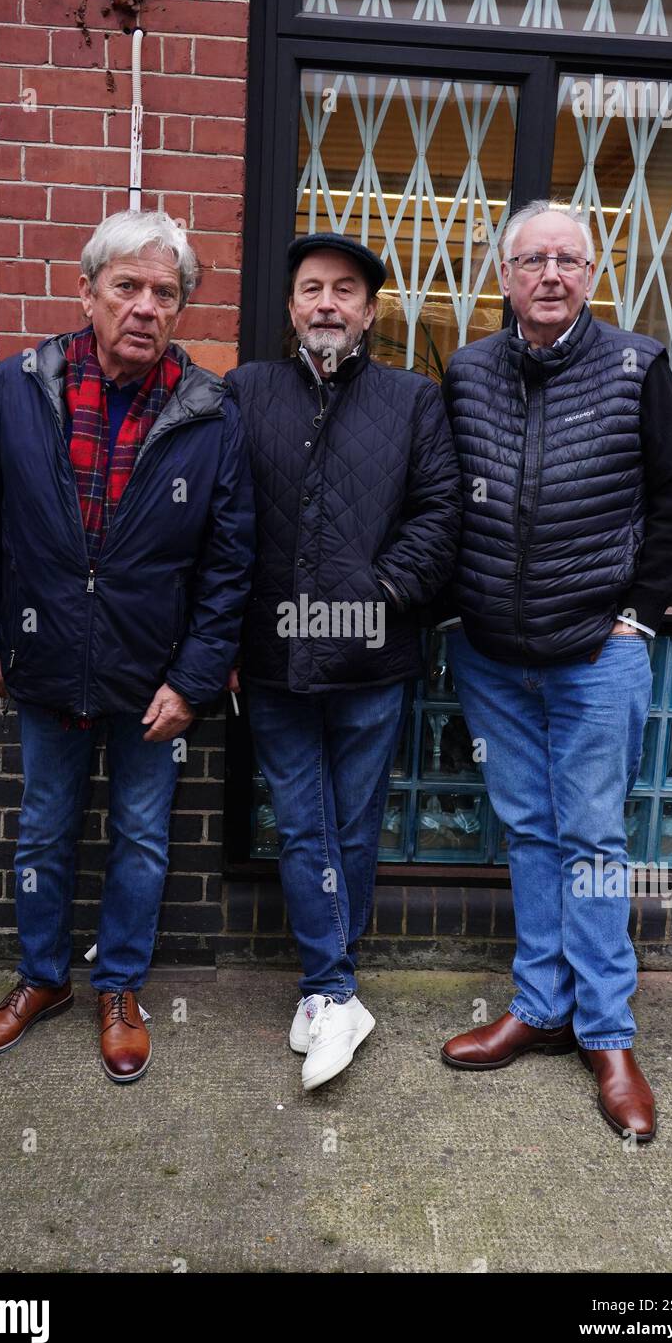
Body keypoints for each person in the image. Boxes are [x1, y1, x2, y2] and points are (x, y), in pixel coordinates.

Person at [0, 210, 254, 1082]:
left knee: (143, 838)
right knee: (44, 833)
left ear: (181, 308)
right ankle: (41, 980)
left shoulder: (208, 413)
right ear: (87, 292)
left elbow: (230, 564)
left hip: (152, 681)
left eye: (166, 292)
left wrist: (193, 681)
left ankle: (119, 987)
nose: (146, 306)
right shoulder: (19, 387)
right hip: (42, 666)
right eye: (127, 286)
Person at [439, 199, 672, 1142]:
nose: (551, 274)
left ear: (592, 274)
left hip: (597, 651)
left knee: (591, 839)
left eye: (569, 260)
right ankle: (540, 1008)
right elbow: (441, 496)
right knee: (527, 830)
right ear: (503, 277)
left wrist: (639, 616)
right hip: (493, 656)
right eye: (532, 260)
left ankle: (608, 1033)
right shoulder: (465, 371)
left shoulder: (638, 365)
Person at [226, 233, 461, 1091]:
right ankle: (333, 988)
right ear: (291, 307)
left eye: (346, 290)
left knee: (353, 824)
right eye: (312, 289)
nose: (327, 302)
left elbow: (439, 517)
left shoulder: (413, 401)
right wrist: (221, 639)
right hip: (274, 657)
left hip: (374, 659)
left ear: (369, 311)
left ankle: (330, 985)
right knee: (301, 820)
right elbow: (222, 521)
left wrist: (380, 594)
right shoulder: (247, 392)